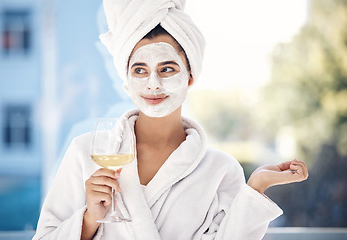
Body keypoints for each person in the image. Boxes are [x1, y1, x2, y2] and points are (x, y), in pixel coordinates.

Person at [33, 1, 308, 239]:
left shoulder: (221, 170)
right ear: (126, 81)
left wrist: (256, 186)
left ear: (190, 76)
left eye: (167, 68)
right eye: (139, 69)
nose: (153, 83)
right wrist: (90, 219)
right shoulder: (87, 152)